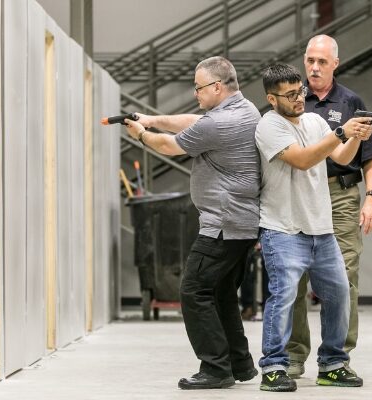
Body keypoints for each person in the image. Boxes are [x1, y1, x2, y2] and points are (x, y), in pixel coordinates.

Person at [124, 56, 261, 390]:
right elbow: (194, 121)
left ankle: (215, 368)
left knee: (193, 290)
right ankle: (240, 364)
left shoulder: (219, 124)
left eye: (199, 87)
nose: (195, 92)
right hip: (240, 223)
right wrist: (153, 119)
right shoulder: (245, 110)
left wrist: (142, 134)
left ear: (216, 87)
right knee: (221, 292)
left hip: (223, 224)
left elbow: (171, 146)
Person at [256, 63, 372, 392]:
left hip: (321, 229)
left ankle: (333, 364)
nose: (298, 98)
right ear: (271, 98)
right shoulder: (268, 126)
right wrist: (341, 132)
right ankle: (274, 367)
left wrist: (354, 137)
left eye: (300, 92)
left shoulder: (314, 120)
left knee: (338, 294)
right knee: (284, 298)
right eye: (291, 94)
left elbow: (341, 156)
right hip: (283, 229)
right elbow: (304, 159)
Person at [286, 34, 372, 379]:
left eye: (321, 61)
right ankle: (294, 354)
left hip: (340, 195)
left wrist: (371, 198)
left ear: (335, 64)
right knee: (293, 276)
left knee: (345, 276)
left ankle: (337, 357)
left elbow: (369, 159)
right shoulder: (293, 99)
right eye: (309, 60)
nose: (313, 67)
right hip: (299, 194)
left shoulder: (351, 101)